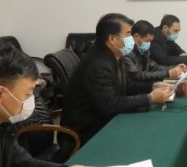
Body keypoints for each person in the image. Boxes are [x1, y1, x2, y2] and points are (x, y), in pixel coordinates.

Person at [61, 13, 173, 144]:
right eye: (128, 34)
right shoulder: (97, 63)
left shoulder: (113, 55)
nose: (131, 39)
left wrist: (152, 86)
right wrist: (150, 98)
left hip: (104, 120)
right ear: (112, 39)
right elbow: (109, 105)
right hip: (87, 133)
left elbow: (126, 86)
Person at [122, 19, 186, 83]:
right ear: (136, 36)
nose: (149, 43)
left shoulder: (143, 50)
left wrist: (172, 69)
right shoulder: (127, 52)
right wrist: (167, 73)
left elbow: (153, 66)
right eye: (148, 40)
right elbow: (137, 75)